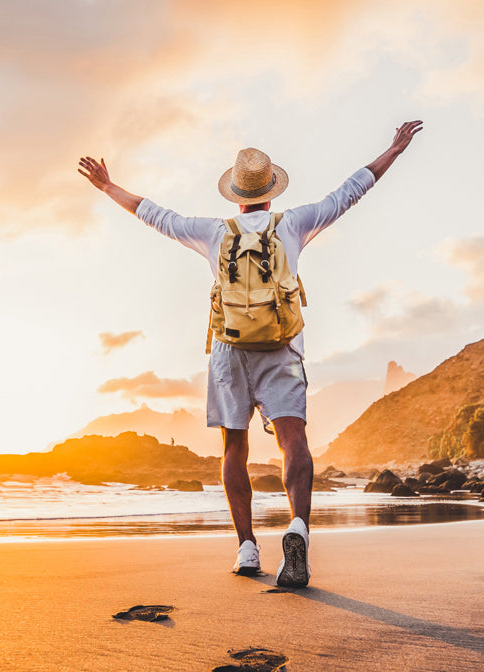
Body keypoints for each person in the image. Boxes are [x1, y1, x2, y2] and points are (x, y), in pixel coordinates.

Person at [77, 120, 423, 587]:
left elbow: (155, 214)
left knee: (234, 446)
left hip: (229, 351)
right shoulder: (295, 224)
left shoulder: (214, 232)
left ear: (236, 195)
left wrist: (107, 185)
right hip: (282, 348)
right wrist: (394, 150)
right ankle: (297, 527)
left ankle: (246, 548)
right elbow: (349, 191)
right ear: (271, 192)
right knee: (293, 441)